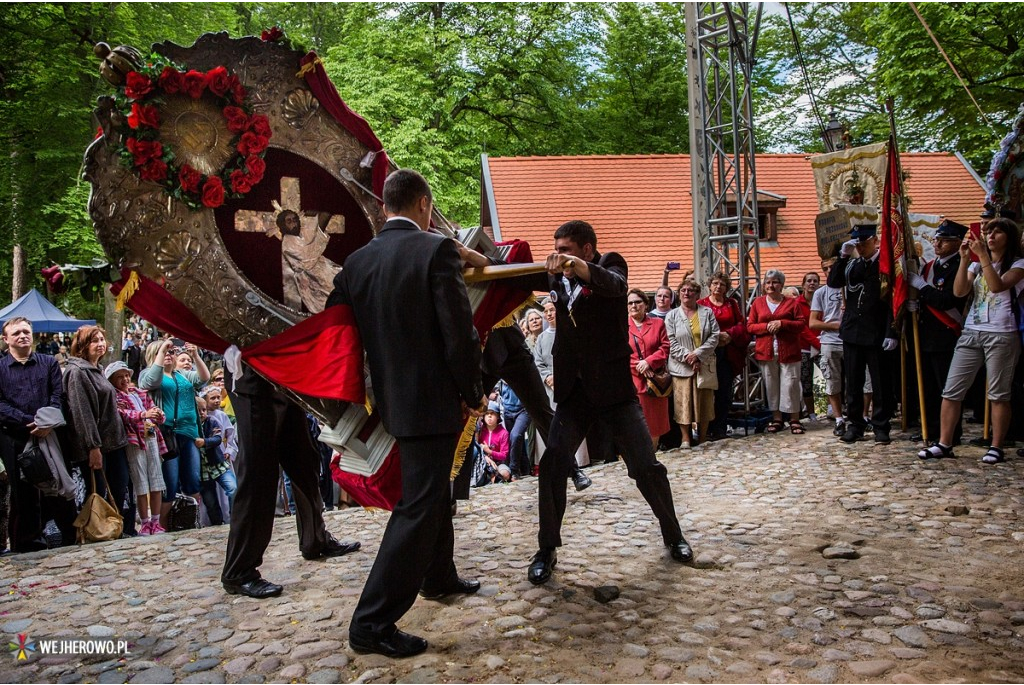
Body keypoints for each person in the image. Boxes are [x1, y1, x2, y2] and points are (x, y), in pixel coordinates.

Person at [328, 168, 486, 658]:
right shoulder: (435, 250)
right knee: (417, 505)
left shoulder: (356, 262)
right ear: (424, 204)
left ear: (382, 208)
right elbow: (458, 333)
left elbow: (336, 330)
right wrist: (472, 391)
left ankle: (438, 576)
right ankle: (371, 622)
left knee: (432, 492)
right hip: (434, 398)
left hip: (391, 399)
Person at [495, 220, 694, 586]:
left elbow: (613, 284)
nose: (559, 255)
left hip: (615, 392)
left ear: (587, 250)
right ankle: (546, 549)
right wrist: (475, 258)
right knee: (553, 465)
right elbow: (512, 277)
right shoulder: (556, 278)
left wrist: (577, 267)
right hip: (574, 394)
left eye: (566, 249)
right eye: (556, 248)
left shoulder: (611, 265)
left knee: (646, 467)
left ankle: (673, 534)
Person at [918, 217, 1024, 463]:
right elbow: (959, 291)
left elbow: (997, 286)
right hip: (972, 330)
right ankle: (944, 443)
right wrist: (966, 259)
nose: (990, 237)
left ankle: (996, 446)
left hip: (1002, 332)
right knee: (951, 390)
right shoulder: (976, 265)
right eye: (988, 232)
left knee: (998, 393)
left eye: (997, 233)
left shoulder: (1018, 264)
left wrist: (983, 257)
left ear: (1009, 238)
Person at [0, 317, 75, 552]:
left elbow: (57, 395)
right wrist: (28, 422)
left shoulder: (48, 363)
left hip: (48, 433)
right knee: (23, 494)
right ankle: (26, 544)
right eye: (16, 333)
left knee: (56, 486)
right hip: (15, 437)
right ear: (6, 339)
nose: (22, 336)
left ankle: (67, 537)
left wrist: (46, 423)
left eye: (26, 332)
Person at [828, 225, 898, 444]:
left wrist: (891, 332)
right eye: (856, 243)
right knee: (853, 382)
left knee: (880, 383)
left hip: (876, 331)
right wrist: (843, 256)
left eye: (863, 242)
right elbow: (833, 282)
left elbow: (891, 303)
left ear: (874, 240)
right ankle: (855, 424)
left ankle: (880, 425)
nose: (860, 246)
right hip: (852, 332)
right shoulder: (851, 265)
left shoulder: (885, 265)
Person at [65, 325, 135, 535]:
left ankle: (115, 530)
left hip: (114, 443)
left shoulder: (96, 369)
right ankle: (97, 533)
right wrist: (93, 446)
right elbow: (81, 412)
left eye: (102, 340)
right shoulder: (77, 372)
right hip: (97, 446)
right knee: (98, 493)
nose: (100, 344)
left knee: (119, 488)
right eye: (95, 340)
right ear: (83, 345)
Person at [907, 219, 969, 446]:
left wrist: (922, 288)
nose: (938, 243)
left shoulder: (960, 266)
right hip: (925, 333)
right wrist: (914, 302)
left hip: (945, 333)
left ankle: (951, 433)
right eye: (937, 239)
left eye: (944, 240)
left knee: (947, 387)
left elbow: (947, 300)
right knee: (928, 387)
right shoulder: (929, 266)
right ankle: (930, 428)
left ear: (957, 243)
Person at [139, 340, 209, 530]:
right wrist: (162, 350)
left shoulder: (182, 375)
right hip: (167, 435)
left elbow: (204, 378)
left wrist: (195, 356)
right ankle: (162, 525)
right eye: (165, 353)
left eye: (172, 352)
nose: (170, 355)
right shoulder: (149, 374)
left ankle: (193, 522)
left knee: (193, 481)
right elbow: (150, 382)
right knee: (169, 482)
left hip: (190, 433)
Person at [108, 361, 167, 536]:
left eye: (126, 375)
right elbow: (124, 415)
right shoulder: (116, 397)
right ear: (112, 380)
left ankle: (156, 521)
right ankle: (145, 522)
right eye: (119, 377)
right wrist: (144, 415)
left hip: (151, 437)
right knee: (140, 481)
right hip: (135, 442)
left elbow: (152, 409)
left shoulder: (139, 393)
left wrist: (157, 414)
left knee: (156, 479)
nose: (125, 379)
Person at [747, 270, 806, 435]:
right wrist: (766, 327)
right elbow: (750, 326)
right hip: (766, 351)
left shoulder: (792, 303)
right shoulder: (758, 303)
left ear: (781, 284)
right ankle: (777, 418)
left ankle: (794, 418)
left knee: (791, 384)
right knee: (771, 385)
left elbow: (801, 324)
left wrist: (782, 323)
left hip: (789, 350)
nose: (771, 286)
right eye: (768, 282)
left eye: (774, 282)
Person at [665, 278, 720, 447]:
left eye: (690, 291)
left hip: (704, 365)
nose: (687, 293)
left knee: (705, 402)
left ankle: (702, 437)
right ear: (679, 294)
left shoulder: (707, 312)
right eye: (683, 290)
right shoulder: (672, 315)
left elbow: (715, 336)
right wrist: (688, 357)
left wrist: (698, 355)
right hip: (681, 366)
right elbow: (670, 340)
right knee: (683, 403)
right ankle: (685, 438)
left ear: (697, 294)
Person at [698, 272, 748, 441]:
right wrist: (715, 337)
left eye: (722, 284)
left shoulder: (732, 304)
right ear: (710, 286)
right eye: (715, 284)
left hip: (728, 351)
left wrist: (729, 334)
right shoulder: (701, 304)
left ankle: (720, 427)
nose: (718, 287)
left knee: (724, 392)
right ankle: (706, 429)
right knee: (707, 391)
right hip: (708, 353)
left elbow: (741, 324)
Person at [626, 289, 671, 448]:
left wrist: (649, 362)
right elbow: (620, 353)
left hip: (655, 382)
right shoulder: (622, 326)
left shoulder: (658, 323)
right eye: (630, 303)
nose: (634, 306)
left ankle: (652, 456)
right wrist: (639, 366)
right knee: (636, 424)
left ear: (645, 304)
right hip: (633, 382)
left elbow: (665, 347)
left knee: (655, 423)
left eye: (637, 302)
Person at [809, 261, 847, 436]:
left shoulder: (849, 287)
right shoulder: (820, 292)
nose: (829, 271)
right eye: (825, 268)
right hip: (830, 341)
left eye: (832, 267)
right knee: (832, 381)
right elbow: (813, 322)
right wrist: (834, 326)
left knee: (861, 381)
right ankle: (839, 418)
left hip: (853, 340)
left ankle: (862, 416)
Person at [195, 396, 237, 525]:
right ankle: (217, 524)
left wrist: (204, 442)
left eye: (204, 410)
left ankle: (235, 518)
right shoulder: (191, 426)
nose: (202, 413)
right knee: (211, 502)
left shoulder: (212, 421)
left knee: (233, 488)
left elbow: (217, 438)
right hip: (202, 470)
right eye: (199, 411)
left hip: (218, 465)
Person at [798, 272, 822, 421]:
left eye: (815, 281)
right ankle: (811, 412)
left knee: (822, 379)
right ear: (803, 284)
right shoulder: (797, 303)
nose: (812, 283)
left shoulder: (822, 300)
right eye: (809, 281)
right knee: (806, 380)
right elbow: (801, 327)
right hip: (804, 346)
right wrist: (816, 342)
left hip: (822, 343)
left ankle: (823, 409)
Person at [477, 402, 512, 483]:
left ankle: (492, 477)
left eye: (492, 414)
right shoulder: (480, 431)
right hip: (483, 461)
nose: (489, 416)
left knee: (505, 474)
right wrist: (485, 456)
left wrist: (489, 451)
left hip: (498, 464)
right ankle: (490, 478)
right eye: (487, 414)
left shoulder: (503, 433)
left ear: (498, 417)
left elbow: (504, 455)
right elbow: (477, 447)